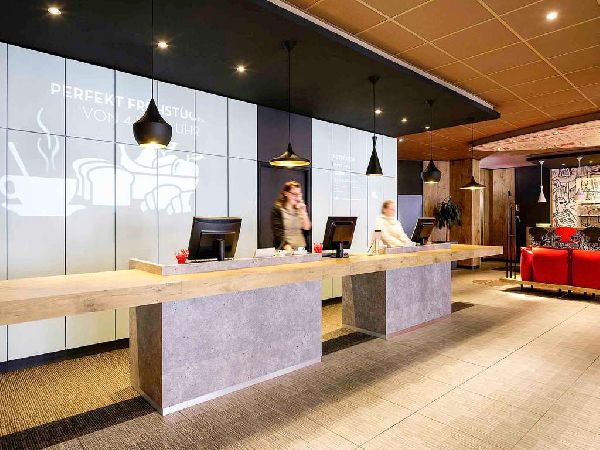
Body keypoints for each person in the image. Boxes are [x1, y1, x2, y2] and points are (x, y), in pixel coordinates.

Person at [271, 181, 312, 250]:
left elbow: (307, 228)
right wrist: (287, 247)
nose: (297, 197)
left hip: (301, 249)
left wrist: (304, 212)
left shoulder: (299, 208)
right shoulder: (278, 210)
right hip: (286, 250)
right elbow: (278, 234)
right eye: (294, 194)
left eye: (299, 194)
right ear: (286, 193)